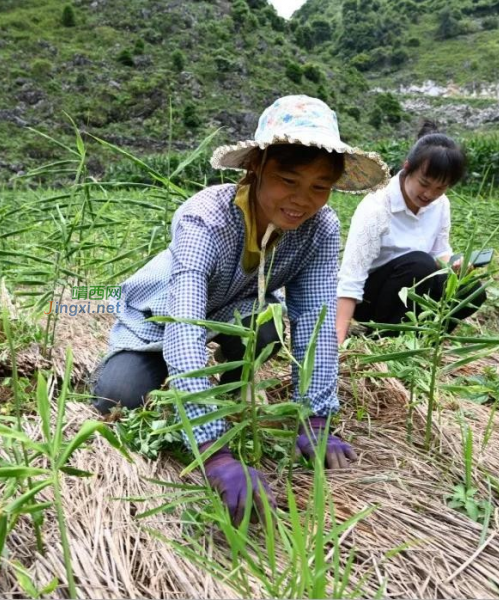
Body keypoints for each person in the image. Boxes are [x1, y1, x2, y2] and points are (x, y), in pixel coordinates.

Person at [90, 95, 389, 524]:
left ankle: (232, 387)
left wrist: (316, 415)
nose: (302, 200)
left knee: (263, 326)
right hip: (161, 318)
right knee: (119, 396)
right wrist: (215, 449)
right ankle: (178, 392)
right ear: (257, 169)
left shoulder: (319, 229)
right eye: (288, 180)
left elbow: (316, 320)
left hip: (238, 312)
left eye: (319, 187)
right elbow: (185, 324)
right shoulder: (205, 219)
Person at [336, 133, 486, 345]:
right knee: (419, 263)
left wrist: (454, 265)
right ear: (407, 168)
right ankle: (387, 335)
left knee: (472, 289)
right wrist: (337, 338)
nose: (429, 194)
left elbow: (439, 252)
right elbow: (352, 278)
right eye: (424, 183)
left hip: (415, 287)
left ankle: (425, 338)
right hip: (373, 298)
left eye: (440, 188)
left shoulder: (440, 204)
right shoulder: (377, 207)